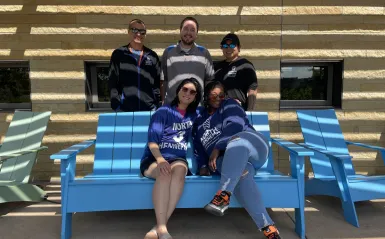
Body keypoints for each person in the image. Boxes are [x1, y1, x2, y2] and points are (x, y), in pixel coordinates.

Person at [192, 81, 281, 239]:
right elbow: (198, 148)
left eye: (221, 94)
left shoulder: (230, 104)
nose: (218, 98)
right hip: (226, 161)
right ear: (206, 96)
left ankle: (224, 194)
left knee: (236, 142)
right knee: (243, 175)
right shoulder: (199, 122)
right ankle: (269, 228)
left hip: (252, 145)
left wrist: (217, 147)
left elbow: (235, 125)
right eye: (213, 95)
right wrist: (203, 165)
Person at [140, 78, 202, 239]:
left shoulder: (194, 115)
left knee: (180, 170)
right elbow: (153, 141)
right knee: (164, 172)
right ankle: (162, 228)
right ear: (178, 91)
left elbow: (214, 112)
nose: (187, 93)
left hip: (178, 160)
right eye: (185, 89)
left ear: (196, 96)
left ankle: (158, 227)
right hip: (154, 158)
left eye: (192, 91)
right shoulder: (163, 112)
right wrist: (160, 159)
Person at [108, 19, 161, 112]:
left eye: (142, 31)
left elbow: (157, 83)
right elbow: (112, 81)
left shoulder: (152, 56)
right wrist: (116, 105)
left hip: (149, 109)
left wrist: (157, 104)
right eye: (134, 30)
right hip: (125, 109)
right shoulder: (119, 54)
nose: (138, 34)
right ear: (128, 32)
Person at [160, 16, 215, 105]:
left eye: (192, 30)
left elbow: (209, 80)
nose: (188, 32)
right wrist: (163, 101)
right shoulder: (168, 52)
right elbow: (163, 80)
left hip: (197, 108)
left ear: (197, 34)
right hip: (172, 107)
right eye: (186, 29)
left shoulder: (204, 52)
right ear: (180, 30)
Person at [213, 33, 258, 111]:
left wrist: (250, 112)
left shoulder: (245, 65)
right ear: (222, 48)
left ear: (239, 47)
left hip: (237, 110)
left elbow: (252, 89)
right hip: (218, 111)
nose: (228, 48)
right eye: (225, 46)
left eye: (232, 45)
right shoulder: (216, 67)